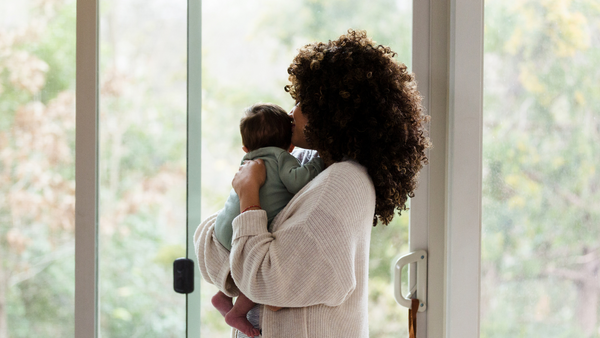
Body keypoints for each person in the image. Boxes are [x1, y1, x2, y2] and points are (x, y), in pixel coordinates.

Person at [195, 29, 430, 338]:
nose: (292, 112)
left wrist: (249, 196)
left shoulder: (343, 184)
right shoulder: (310, 169)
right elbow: (206, 241)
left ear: (335, 112)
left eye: (304, 102)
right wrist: (244, 270)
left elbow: (263, 279)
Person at [210, 103, 325, 337]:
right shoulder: (281, 157)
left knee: (238, 264)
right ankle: (238, 313)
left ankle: (222, 295)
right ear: (290, 145)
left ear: (245, 147)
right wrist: (319, 162)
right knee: (256, 273)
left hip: (223, 227)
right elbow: (296, 181)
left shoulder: (248, 161)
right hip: (247, 227)